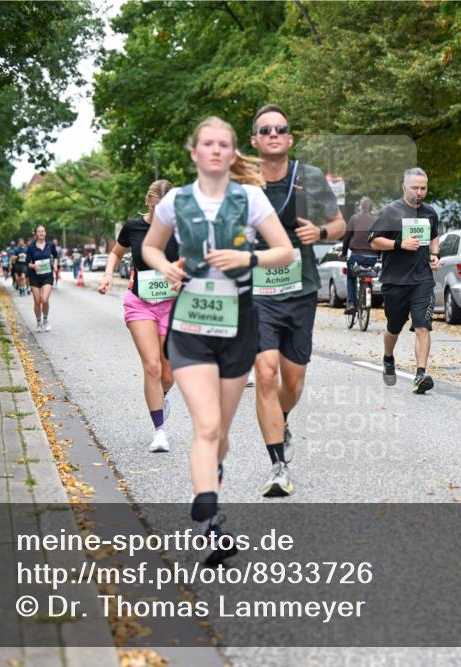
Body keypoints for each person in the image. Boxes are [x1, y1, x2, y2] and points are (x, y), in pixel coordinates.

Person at [141, 116, 293, 563]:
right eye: (206, 143)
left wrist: (248, 258)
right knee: (206, 425)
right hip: (191, 324)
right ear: (194, 152)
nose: (214, 150)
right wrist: (164, 267)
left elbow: (284, 251)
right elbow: (150, 247)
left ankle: (213, 488)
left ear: (232, 153)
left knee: (221, 432)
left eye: (223, 144)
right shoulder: (175, 200)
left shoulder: (251, 199)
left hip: (237, 323)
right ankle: (210, 519)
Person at [248, 103, 345, 497]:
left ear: (289, 139)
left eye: (280, 129)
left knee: (293, 380)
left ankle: (281, 418)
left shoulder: (310, 177)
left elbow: (339, 224)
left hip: (300, 288)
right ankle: (277, 467)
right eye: (265, 130)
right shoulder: (241, 182)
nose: (273, 134)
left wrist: (319, 234)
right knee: (265, 374)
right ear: (254, 140)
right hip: (256, 293)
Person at [100, 180, 180, 453]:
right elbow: (116, 253)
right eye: (158, 208)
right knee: (152, 366)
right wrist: (109, 274)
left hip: (173, 305)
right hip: (140, 304)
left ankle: (162, 394)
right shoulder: (134, 227)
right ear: (148, 202)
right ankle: (159, 431)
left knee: (168, 373)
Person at [368, 167, 441, 394]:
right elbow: (374, 241)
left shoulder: (430, 213)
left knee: (423, 326)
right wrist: (400, 244)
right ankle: (388, 357)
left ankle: (420, 375)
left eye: (423, 188)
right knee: (394, 327)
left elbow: (434, 236)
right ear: (404, 187)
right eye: (415, 188)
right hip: (395, 280)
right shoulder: (390, 212)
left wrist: (435, 254)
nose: (419, 192)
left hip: (422, 280)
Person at [341, 196, 379, 314]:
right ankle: (368, 292)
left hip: (356, 256)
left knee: (351, 276)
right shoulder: (376, 220)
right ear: (371, 207)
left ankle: (351, 303)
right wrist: (379, 254)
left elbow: (347, 238)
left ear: (360, 207)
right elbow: (379, 238)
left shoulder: (354, 218)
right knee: (368, 273)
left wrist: (343, 252)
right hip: (373, 257)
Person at [25, 225, 60, 331]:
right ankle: (38, 322)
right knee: (37, 301)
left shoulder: (50, 245)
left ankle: (45, 320)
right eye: (39, 231)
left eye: (42, 231)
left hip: (47, 275)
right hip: (34, 276)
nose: (41, 233)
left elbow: (56, 256)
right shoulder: (31, 247)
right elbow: (27, 263)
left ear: (45, 233)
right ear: (36, 233)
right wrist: (34, 266)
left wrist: (55, 265)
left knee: (44, 300)